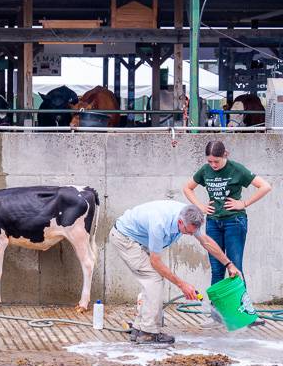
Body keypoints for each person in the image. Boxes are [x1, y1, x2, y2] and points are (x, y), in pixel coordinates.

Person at [110, 201, 239, 345]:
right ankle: (148, 333)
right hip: (125, 239)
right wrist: (182, 284)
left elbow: (206, 242)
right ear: (180, 222)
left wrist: (229, 264)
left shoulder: (189, 215)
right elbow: (156, 261)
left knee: (152, 280)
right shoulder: (159, 223)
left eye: (193, 232)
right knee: (153, 278)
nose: (191, 235)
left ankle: (140, 328)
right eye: (188, 232)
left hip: (140, 239)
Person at [183, 140, 272, 327]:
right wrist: (200, 206)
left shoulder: (236, 169)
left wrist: (244, 203)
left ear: (225, 155)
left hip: (235, 222)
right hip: (214, 223)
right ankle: (217, 316)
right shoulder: (205, 171)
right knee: (217, 269)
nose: (213, 165)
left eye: (216, 161)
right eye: (210, 162)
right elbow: (187, 188)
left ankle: (248, 315)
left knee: (235, 266)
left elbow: (265, 186)